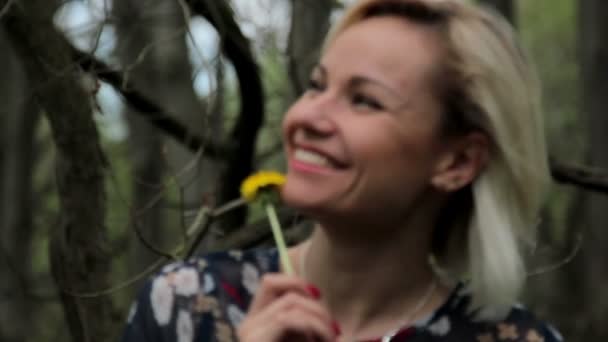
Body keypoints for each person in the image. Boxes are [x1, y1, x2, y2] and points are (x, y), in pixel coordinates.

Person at [121, 0, 564, 341]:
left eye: (364, 100)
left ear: (458, 162)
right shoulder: (184, 307)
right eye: (317, 85)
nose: (307, 117)